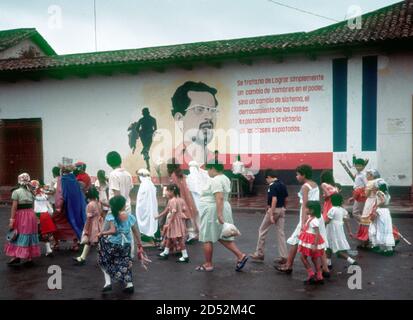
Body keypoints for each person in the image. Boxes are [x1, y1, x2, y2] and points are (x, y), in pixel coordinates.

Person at [196, 162, 248, 272]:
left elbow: (218, 197)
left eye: (208, 170)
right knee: (222, 234)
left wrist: (219, 215)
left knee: (207, 237)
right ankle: (240, 255)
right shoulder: (225, 178)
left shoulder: (216, 180)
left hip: (213, 210)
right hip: (222, 207)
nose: (208, 172)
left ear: (213, 168)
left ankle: (208, 264)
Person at [276, 165, 321, 274]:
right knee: (316, 242)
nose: (296, 176)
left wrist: (303, 222)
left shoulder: (305, 187)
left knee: (295, 239)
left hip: (306, 216)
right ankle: (322, 269)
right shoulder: (315, 185)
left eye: (297, 174)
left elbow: (305, 205)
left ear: (303, 175)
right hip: (314, 215)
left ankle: (288, 266)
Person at [97, 195, 146, 294]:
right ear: (123, 206)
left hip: (113, 244)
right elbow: (136, 231)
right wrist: (139, 244)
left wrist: (101, 234)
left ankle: (108, 282)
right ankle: (129, 284)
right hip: (126, 245)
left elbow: (105, 230)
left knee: (104, 260)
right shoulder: (130, 216)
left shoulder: (110, 216)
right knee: (125, 262)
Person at [171, 81, 220, 166]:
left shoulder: (217, 161)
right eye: (199, 109)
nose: (209, 116)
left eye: (212, 110)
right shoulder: (171, 161)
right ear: (179, 119)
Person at [250, 169, 288, 265]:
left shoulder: (272, 186)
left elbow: (274, 199)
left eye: (266, 179)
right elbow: (286, 198)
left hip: (274, 210)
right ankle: (284, 256)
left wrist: (271, 214)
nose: (266, 181)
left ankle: (259, 253)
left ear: (269, 177)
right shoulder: (282, 184)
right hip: (282, 210)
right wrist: (284, 208)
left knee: (262, 230)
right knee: (281, 233)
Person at [5, 173, 41, 266]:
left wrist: (12, 219)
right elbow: (33, 206)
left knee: (18, 234)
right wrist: (36, 217)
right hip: (30, 215)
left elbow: (14, 207)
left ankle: (16, 256)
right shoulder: (31, 192)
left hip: (21, 215)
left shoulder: (16, 192)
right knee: (29, 234)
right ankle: (29, 258)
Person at [155, 184, 189, 263]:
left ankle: (185, 256)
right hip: (177, 221)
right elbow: (167, 210)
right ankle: (166, 252)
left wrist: (169, 223)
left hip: (174, 222)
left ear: (172, 191)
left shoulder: (173, 200)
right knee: (169, 237)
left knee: (179, 238)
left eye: (167, 191)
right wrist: (158, 216)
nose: (166, 192)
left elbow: (173, 212)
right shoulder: (177, 200)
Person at [167, 160, 198, 242]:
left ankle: (180, 236)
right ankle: (191, 234)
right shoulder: (181, 174)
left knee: (178, 217)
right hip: (186, 197)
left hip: (178, 198)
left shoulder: (173, 175)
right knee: (187, 216)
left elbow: (174, 188)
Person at [325, 193, 357, 267]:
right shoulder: (342, 210)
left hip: (331, 230)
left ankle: (351, 261)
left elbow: (328, 221)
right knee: (330, 246)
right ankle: (328, 263)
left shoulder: (332, 210)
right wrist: (349, 232)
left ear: (332, 201)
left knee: (333, 248)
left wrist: (321, 225)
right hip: (339, 231)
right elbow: (347, 222)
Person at [297, 201, 326, 285]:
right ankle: (319, 277)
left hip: (311, 242)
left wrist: (315, 245)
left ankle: (311, 275)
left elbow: (317, 233)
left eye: (307, 208)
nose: (305, 209)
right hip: (310, 241)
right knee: (314, 259)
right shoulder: (311, 218)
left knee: (303, 257)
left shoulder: (314, 221)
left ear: (312, 210)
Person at [73, 186, 104, 265]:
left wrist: (86, 230)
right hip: (99, 224)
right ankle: (82, 257)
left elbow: (89, 219)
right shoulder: (98, 203)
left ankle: (101, 259)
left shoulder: (90, 205)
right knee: (92, 242)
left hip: (92, 226)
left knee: (92, 242)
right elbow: (101, 213)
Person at [368, 179, 395, 256]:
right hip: (386, 211)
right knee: (387, 228)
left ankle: (383, 247)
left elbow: (382, 201)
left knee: (381, 228)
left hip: (381, 211)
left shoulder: (379, 192)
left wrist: (376, 206)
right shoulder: (387, 193)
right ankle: (388, 248)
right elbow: (385, 201)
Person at [356, 169, 380, 248]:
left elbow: (366, 194)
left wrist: (360, 193)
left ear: (372, 176)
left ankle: (365, 241)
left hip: (370, 201)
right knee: (376, 221)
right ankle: (375, 241)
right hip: (377, 201)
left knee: (366, 220)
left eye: (368, 175)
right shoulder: (379, 181)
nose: (366, 176)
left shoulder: (370, 183)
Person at [186, 160, 210, 241]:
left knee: (193, 218)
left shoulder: (189, 177)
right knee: (201, 217)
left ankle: (194, 234)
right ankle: (203, 233)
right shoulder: (202, 176)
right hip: (202, 201)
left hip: (193, 201)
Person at [32, 180, 56, 257]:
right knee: (45, 233)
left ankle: (33, 250)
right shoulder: (43, 194)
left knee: (34, 233)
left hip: (38, 215)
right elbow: (48, 204)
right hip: (46, 214)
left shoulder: (34, 194)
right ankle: (48, 249)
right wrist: (51, 212)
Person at [135, 168, 158, 243]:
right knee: (151, 222)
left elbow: (141, 199)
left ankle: (148, 237)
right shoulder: (150, 183)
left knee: (147, 222)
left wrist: (139, 208)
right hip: (151, 208)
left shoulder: (144, 184)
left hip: (145, 208)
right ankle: (151, 236)